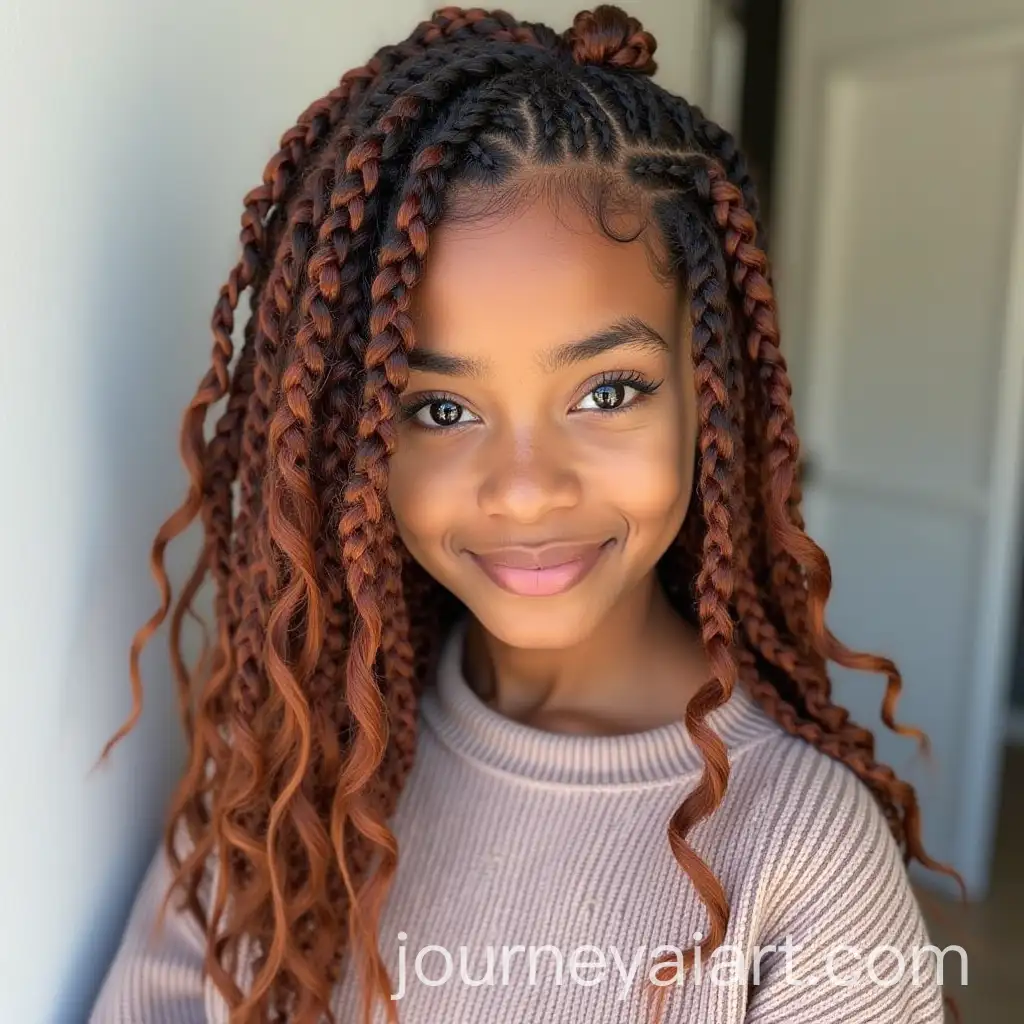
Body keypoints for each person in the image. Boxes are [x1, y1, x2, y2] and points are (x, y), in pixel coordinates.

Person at [89, 6, 962, 1023]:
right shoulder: (295, 758)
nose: (525, 487)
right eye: (441, 407)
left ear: (708, 393)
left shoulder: (800, 848)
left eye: (606, 391)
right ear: (356, 439)